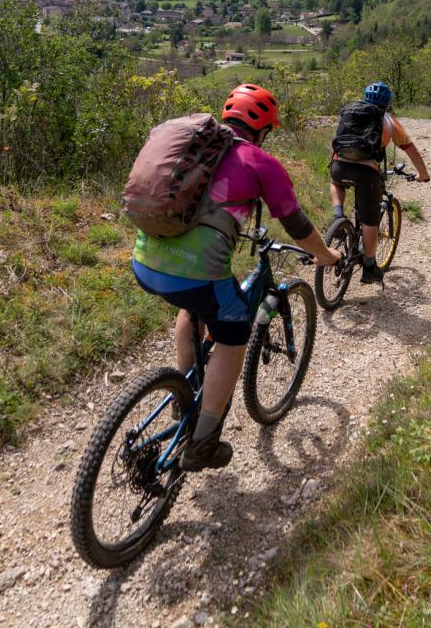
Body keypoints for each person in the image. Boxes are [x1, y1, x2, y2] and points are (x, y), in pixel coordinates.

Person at [131, 84, 340, 473]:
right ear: (264, 129)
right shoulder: (260, 162)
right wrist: (324, 255)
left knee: (193, 306)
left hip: (144, 262)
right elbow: (296, 225)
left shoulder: (196, 150)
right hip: (195, 277)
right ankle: (204, 444)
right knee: (233, 332)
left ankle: (186, 388)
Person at [329, 81, 430, 286]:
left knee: (336, 182)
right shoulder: (388, 121)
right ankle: (369, 266)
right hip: (367, 173)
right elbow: (410, 149)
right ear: (387, 102)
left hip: (339, 166)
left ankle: (338, 216)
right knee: (370, 221)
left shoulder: (351, 112)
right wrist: (423, 174)